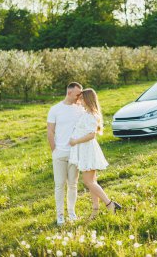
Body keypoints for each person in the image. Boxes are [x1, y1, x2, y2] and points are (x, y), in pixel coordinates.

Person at [68, 88, 121, 220]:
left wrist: (76, 141)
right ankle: (95, 210)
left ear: (87, 99)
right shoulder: (86, 113)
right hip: (84, 149)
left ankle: (110, 204)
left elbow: (91, 135)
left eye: (82, 98)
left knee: (88, 181)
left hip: (87, 150)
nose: (79, 100)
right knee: (92, 181)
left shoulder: (92, 115)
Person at [47, 82, 84, 226]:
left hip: (74, 154)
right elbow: (50, 131)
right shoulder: (55, 109)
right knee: (59, 185)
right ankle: (60, 215)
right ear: (69, 93)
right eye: (77, 94)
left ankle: (72, 213)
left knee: (73, 185)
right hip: (59, 154)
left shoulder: (80, 109)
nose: (79, 97)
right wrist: (54, 149)